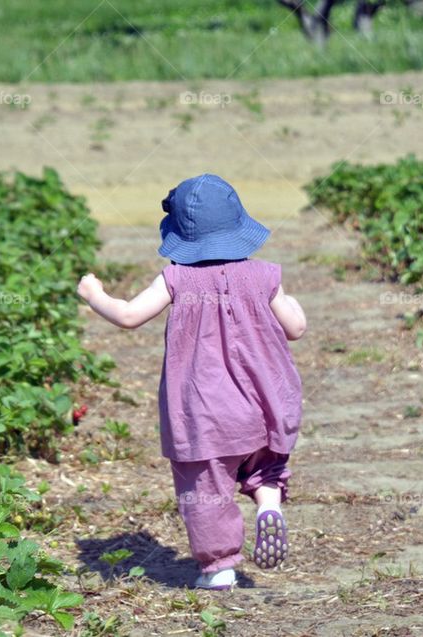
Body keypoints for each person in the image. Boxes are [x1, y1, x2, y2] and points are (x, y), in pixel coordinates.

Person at [76, 174, 306, 590]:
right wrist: (289, 302)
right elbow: (296, 327)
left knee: (206, 490)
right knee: (265, 464)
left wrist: (94, 295)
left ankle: (219, 567)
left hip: (206, 414)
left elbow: (129, 316)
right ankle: (268, 502)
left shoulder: (176, 279)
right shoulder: (265, 275)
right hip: (264, 403)